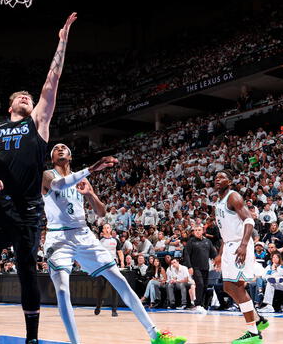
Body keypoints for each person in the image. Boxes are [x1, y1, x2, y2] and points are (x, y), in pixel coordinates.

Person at [0, 13, 77, 344]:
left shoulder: (38, 122)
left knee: (27, 272)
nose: (27, 96)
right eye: (20, 96)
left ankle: (32, 337)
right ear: (10, 104)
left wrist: (62, 40)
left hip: (26, 208)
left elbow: (51, 82)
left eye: (29, 95)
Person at [41, 143, 186, 344]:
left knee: (120, 280)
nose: (60, 148)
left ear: (71, 156)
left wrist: (90, 195)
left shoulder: (81, 180)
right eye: (56, 148)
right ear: (52, 158)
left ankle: (155, 334)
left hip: (83, 233)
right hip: (58, 237)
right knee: (63, 289)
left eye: (64, 147)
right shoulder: (47, 175)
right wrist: (91, 169)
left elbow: (101, 212)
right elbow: (59, 185)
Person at [213, 170, 269, 344]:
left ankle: (253, 333)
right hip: (229, 245)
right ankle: (258, 320)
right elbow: (225, 232)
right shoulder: (219, 201)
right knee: (228, 287)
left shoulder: (233, 197)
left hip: (239, 244)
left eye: (221, 177)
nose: (217, 179)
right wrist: (221, 254)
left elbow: (250, 220)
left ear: (229, 181)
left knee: (237, 287)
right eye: (216, 177)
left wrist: (244, 245)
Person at [183, 225, 217, 311]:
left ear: (202, 231)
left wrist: (217, 262)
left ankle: (203, 305)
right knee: (200, 284)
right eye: (196, 230)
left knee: (205, 286)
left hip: (206, 267)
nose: (197, 231)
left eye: (199, 230)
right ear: (194, 232)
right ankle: (197, 304)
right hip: (195, 267)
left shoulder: (208, 241)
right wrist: (189, 267)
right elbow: (186, 255)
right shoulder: (191, 242)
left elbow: (213, 254)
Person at [94, 223, 122, 317]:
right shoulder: (100, 241)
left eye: (108, 227)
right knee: (100, 288)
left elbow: (119, 251)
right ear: (102, 231)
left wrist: (122, 261)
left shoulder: (115, 240)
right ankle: (98, 305)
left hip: (113, 265)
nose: (106, 229)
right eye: (105, 228)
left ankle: (114, 309)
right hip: (102, 266)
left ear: (110, 229)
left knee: (115, 288)